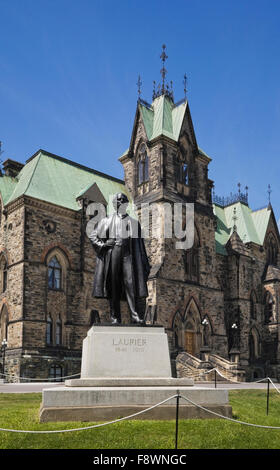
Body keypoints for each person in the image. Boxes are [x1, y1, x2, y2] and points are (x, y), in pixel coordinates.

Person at [89, 193, 150, 324]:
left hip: (129, 255)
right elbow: (93, 236)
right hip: (113, 253)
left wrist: (145, 263)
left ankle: (135, 316)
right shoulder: (106, 220)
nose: (120, 202)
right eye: (117, 200)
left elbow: (141, 246)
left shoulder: (134, 223)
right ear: (114, 204)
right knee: (113, 285)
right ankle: (115, 317)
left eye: (122, 200)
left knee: (131, 284)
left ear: (126, 204)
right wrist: (103, 245)